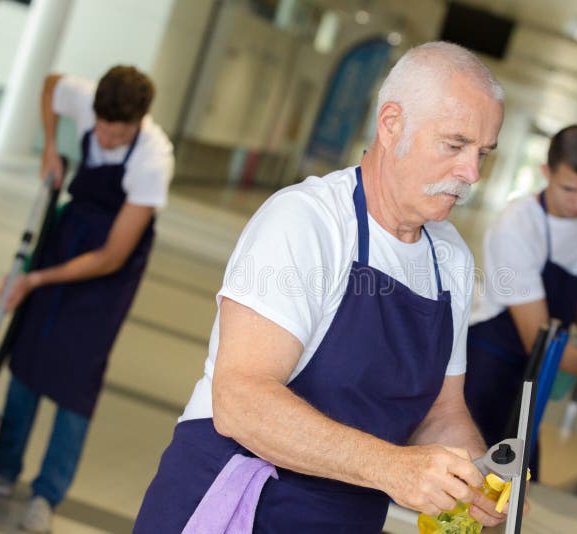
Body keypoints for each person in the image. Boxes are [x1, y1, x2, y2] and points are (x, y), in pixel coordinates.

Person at [134, 42, 509, 533]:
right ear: (392, 123)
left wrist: (477, 481)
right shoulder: (307, 222)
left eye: (483, 153)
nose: (471, 174)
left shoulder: (451, 259)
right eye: (454, 145)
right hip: (235, 506)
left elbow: (441, 411)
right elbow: (241, 399)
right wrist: (392, 467)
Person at [0, 66, 174, 532]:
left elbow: (112, 255)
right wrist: (50, 145)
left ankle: (48, 493)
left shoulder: (153, 157)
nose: (106, 137)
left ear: (139, 121)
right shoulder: (88, 99)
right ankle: (5, 468)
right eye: (101, 127)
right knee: (28, 354)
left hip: (108, 269)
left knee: (76, 379)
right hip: (67, 233)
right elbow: (50, 84)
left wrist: (36, 280)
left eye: (118, 131)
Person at [464, 125, 577, 475]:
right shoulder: (516, 227)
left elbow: (574, 291)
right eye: (569, 189)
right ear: (546, 173)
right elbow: (539, 341)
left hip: (535, 371)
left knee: (519, 483)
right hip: (490, 363)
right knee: (473, 479)